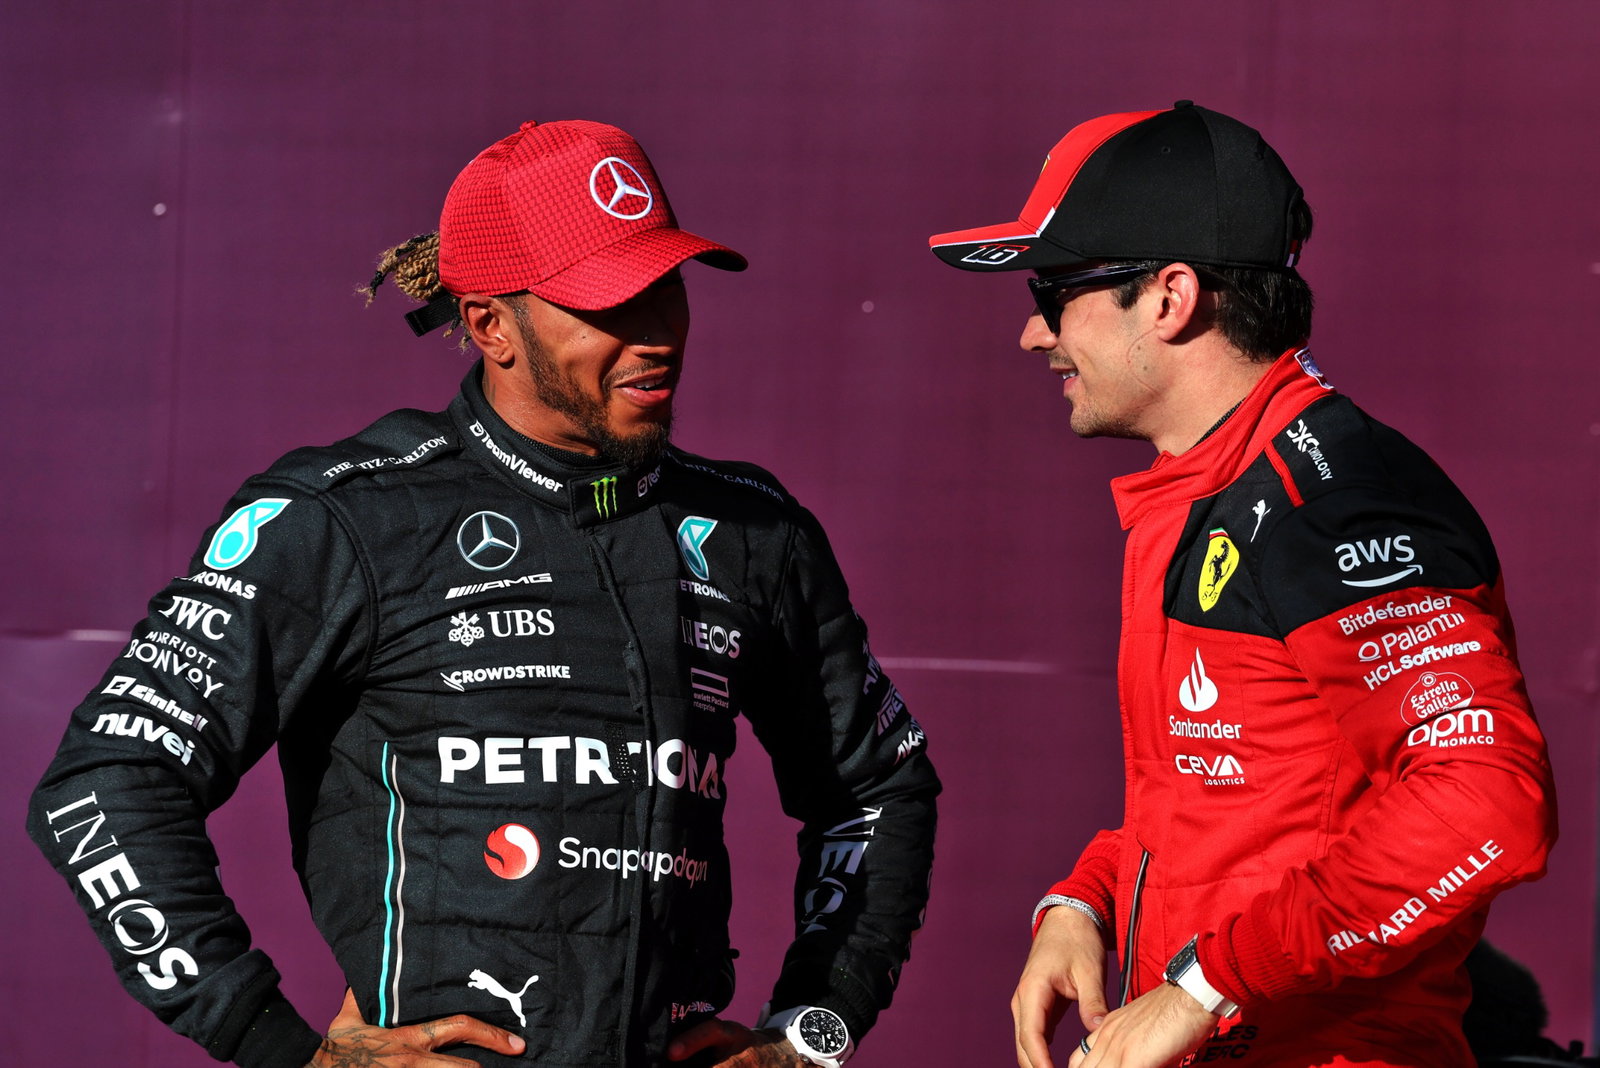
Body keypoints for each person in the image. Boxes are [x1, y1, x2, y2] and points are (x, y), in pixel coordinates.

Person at [28, 118, 939, 1068]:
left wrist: (813, 1035)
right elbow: (104, 784)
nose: (656, 334)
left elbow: (878, 787)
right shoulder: (345, 518)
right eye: (606, 303)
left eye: (664, 286)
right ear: (490, 325)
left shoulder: (758, 531)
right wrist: (276, 1046)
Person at [927, 100, 1555, 1067]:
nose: (1030, 334)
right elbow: (1231, 805)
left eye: (1055, 292)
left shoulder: (1336, 496)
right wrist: (1085, 900)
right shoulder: (1206, 485)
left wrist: (1204, 985)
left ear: (1172, 297)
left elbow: (1485, 803)